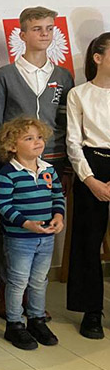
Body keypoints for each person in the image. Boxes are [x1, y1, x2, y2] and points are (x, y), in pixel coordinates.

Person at [0, 6, 74, 318]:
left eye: (50, 28)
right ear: (22, 34)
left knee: (47, 222)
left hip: (52, 163)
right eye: (37, 28)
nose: (44, 34)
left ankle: (35, 297)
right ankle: (8, 290)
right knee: (12, 226)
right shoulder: (5, 75)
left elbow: (66, 122)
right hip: (16, 164)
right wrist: (2, 163)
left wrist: (66, 166)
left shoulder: (63, 76)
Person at [0, 118, 64, 350]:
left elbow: (58, 196)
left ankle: (36, 319)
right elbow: (3, 205)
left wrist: (59, 217)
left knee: (39, 280)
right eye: (29, 138)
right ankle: (14, 324)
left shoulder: (48, 170)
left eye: (40, 137)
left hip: (46, 238)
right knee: (18, 281)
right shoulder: (7, 174)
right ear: (12, 146)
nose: (37, 142)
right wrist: (26, 224)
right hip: (20, 239)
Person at [65, 32, 110, 339]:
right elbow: (73, 141)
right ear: (98, 57)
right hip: (91, 165)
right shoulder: (78, 94)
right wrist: (89, 179)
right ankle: (91, 310)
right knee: (87, 240)